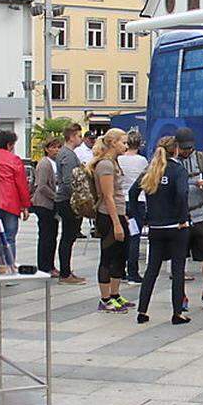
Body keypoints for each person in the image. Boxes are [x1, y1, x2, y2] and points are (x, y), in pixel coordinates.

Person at [130, 136, 192, 325]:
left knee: (151, 270)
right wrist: (183, 218)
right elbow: (182, 193)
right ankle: (177, 313)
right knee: (178, 270)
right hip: (175, 226)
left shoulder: (151, 170)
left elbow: (133, 192)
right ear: (176, 150)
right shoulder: (178, 170)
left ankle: (142, 311)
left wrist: (141, 216)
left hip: (155, 226)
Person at [173, 127, 203, 310]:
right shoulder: (171, 161)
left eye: (189, 148)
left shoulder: (202, 159)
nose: (186, 151)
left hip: (200, 214)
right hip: (179, 217)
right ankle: (181, 294)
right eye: (183, 148)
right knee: (179, 258)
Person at [91, 128, 130, 313]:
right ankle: (105, 298)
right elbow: (108, 196)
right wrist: (116, 223)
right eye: (123, 142)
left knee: (120, 255)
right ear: (113, 142)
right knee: (108, 256)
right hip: (107, 215)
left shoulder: (114, 163)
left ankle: (115, 294)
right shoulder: (105, 165)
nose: (126, 146)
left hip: (119, 213)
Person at [54, 123, 87, 285]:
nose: (80, 138)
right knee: (68, 236)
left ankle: (66, 271)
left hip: (66, 199)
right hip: (67, 200)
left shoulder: (67, 153)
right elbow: (68, 181)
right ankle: (65, 273)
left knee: (69, 237)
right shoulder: (67, 155)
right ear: (72, 136)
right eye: (79, 136)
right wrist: (77, 198)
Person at [0, 130, 31, 267]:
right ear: (9, 145)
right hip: (11, 203)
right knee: (9, 237)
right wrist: (25, 205)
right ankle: (10, 266)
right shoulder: (14, 160)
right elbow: (21, 185)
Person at [118, 130, 149, 284]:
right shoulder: (142, 161)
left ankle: (119, 270)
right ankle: (133, 272)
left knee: (122, 236)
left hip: (122, 199)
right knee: (134, 236)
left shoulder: (119, 159)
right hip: (138, 200)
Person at [31, 137, 62, 277]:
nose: (56, 150)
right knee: (46, 236)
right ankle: (44, 266)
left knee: (52, 236)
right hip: (44, 204)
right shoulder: (44, 164)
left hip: (52, 205)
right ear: (46, 149)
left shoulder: (55, 163)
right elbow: (41, 186)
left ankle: (50, 265)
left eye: (58, 147)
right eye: (53, 147)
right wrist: (56, 197)